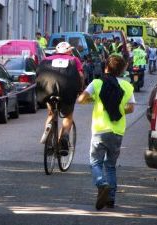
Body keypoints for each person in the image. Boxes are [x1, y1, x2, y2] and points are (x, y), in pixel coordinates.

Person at [78, 55, 135, 210]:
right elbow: (131, 107)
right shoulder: (127, 86)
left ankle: (101, 184)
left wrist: (91, 100)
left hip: (100, 130)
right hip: (117, 131)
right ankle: (110, 199)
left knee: (95, 162)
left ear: (106, 68)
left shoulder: (97, 83)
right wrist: (118, 109)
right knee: (110, 165)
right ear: (122, 70)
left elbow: (81, 99)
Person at [36, 42, 84, 156]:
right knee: (68, 116)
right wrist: (80, 89)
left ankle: (48, 135)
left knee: (51, 114)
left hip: (48, 89)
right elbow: (81, 76)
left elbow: (38, 73)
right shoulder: (74, 60)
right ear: (69, 51)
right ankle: (64, 137)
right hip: (67, 91)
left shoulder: (46, 59)